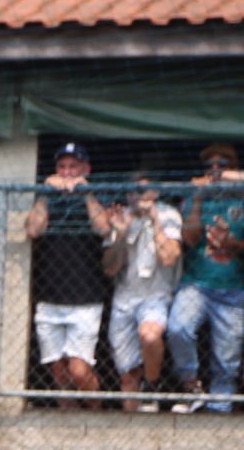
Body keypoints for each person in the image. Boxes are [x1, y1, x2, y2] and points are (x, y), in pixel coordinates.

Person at [26, 142, 112, 403]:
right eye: (62, 166)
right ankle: (68, 417)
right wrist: (45, 194)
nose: (66, 172)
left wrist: (85, 192)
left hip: (85, 297)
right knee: (59, 371)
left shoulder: (97, 195)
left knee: (78, 369)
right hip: (50, 296)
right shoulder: (47, 197)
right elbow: (33, 230)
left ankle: (96, 413)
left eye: (73, 166)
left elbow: (103, 228)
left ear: (86, 168)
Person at [168, 145, 244, 411]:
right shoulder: (196, 196)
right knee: (178, 328)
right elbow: (189, 240)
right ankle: (191, 385)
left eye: (221, 165)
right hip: (197, 284)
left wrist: (231, 243)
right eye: (209, 166)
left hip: (234, 288)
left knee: (227, 359)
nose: (215, 171)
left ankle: (219, 412)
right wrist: (198, 198)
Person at [102, 177, 184, 405]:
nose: (138, 196)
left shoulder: (168, 215)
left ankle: (152, 386)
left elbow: (169, 258)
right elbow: (109, 268)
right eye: (133, 191)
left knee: (149, 335)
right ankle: (133, 429)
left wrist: (154, 219)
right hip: (124, 298)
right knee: (128, 376)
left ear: (155, 192)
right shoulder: (122, 216)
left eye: (143, 190)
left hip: (155, 295)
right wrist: (119, 234)